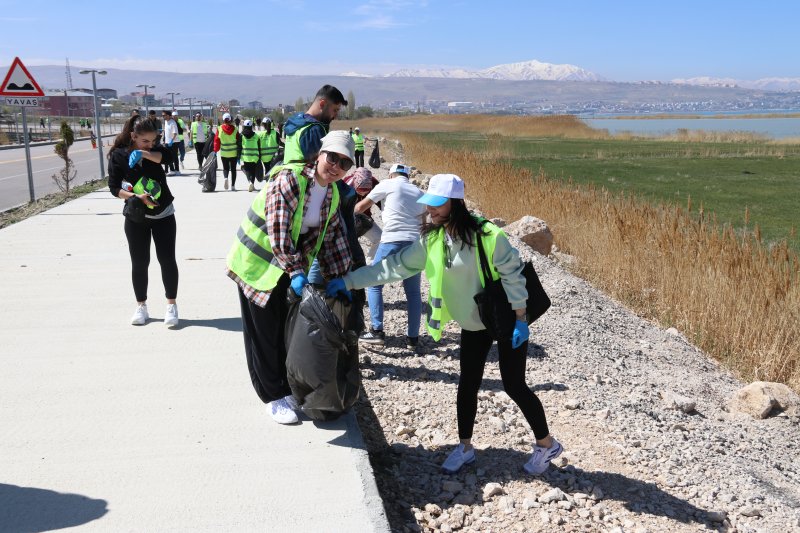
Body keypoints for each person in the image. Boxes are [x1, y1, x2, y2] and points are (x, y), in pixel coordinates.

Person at [326, 174, 562, 475]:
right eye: (429, 204)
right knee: (467, 383)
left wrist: (521, 320)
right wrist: (350, 280)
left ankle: (546, 444)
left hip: (505, 316)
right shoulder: (433, 240)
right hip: (474, 322)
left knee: (514, 385)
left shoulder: (489, 236)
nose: (431, 210)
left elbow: (513, 276)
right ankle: (465, 447)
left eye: (437, 205)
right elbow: (393, 267)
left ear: (456, 203)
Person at [226, 130, 355, 424]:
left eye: (344, 163)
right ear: (319, 155)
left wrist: (341, 277)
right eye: (332, 158)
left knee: (285, 331)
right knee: (263, 334)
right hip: (257, 263)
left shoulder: (332, 193)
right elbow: (279, 230)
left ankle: (285, 388)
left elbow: (334, 238)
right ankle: (272, 397)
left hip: (287, 268)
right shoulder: (289, 180)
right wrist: (296, 272)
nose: (336, 167)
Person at [107, 115, 180, 327]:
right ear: (133, 136)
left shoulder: (155, 151)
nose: (150, 144)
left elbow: (167, 158)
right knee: (139, 262)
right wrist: (136, 197)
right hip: (137, 217)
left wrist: (144, 153)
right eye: (144, 141)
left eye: (153, 140)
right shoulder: (119, 155)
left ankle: (171, 305)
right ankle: (141, 306)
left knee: (167, 260)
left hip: (163, 214)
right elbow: (114, 188)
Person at [352, 162, 426, 348]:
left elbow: (360, 207)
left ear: (391, 174)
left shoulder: (387, 184)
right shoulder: (419, 192)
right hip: (414, 244)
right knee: (413, 292)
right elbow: (424, 223)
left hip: (391, 239)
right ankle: (413, 338)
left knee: (375, 284)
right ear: (407, 176)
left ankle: (377, 331)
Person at [343, 167, 381, 262]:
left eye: (366, 191)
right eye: (360, 191)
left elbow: (381, 202)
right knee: (349, 246)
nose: (363, 194)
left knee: (380, 239)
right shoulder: (346, 186)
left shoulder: (374, 184)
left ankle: (370, 264)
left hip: (365, 217)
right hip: (346, 218)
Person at [213, 112, 242, 191]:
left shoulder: (220, 128)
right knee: (233, 170)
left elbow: (216, 140)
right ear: (230, 120)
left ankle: (226, 178)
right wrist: (240, 153)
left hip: (224, 153)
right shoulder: (235, 129)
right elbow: (239, 141)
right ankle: (233, 186)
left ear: (223, 120)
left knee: (225, 168)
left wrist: (215, 150)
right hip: (233, 153)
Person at [239, 119, 261, 192]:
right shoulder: (256, 136)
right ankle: (252, 184)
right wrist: (260, 156)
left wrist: (238, 156)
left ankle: (250, 182)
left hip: (246, 156)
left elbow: (239, 147)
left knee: (247, 170)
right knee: (253, 171)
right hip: (254, 156)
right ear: (251, 126)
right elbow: (259, 147)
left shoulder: (241, 136)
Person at [161, 110, 180, 175]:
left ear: (168, 115)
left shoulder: (173, 122)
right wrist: (164, 140)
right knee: (168, 156)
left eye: (164, 115)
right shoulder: (165, 122)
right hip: (167, 142)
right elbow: (166, 132)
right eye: (162, 115)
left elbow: (175, 133)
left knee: (174, 156)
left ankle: (176, 170)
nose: (163, 116)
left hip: (174, 142)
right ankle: (171, 170)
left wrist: (171, 141)